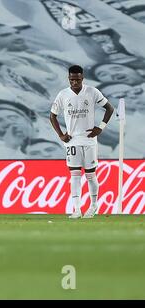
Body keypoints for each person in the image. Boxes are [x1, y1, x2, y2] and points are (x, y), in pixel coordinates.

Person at [50, 65, 114, 219]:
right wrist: (60, 135)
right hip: (72, 141)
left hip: (89, 140)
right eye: (72, 80)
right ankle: (77, 209)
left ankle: (93, 206)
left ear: (82, 78)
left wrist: (100, 128)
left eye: (77, 79)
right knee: (75, 175)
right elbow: (52, 116)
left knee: (91, 175)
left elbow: (110, 108)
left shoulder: (92, 92)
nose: (75, 83)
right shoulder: (63, 95)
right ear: (68, 79)